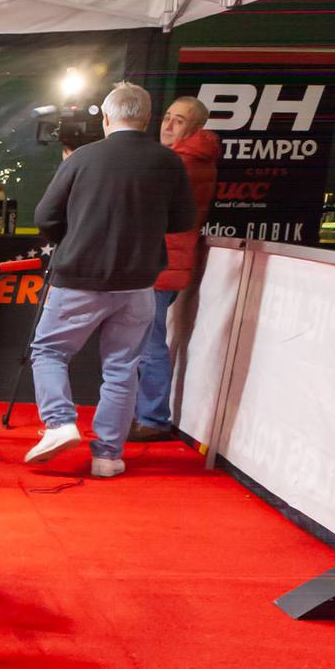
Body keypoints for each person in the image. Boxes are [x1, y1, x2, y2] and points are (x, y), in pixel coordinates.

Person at [23, 83, 197, 477]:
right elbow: (184, 220)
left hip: (79, 277)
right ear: (148, 119)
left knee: (48, 352)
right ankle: (107, 457)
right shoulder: (168, 162)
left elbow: (46, 216)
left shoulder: (83, 158)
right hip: (138, 282)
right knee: (122, 367)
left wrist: (73, 235)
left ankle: (59, 422)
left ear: (105, 118)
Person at [131, 97, 219, 440]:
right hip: (165, 260)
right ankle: (145, 414)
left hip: (162, 262)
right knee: (146, 342)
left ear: (194, 128)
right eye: (166, 117)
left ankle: (152, 418)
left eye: (178, 121)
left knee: (150, 344)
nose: (168, 125)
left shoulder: (182, 162)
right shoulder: (183, 159)